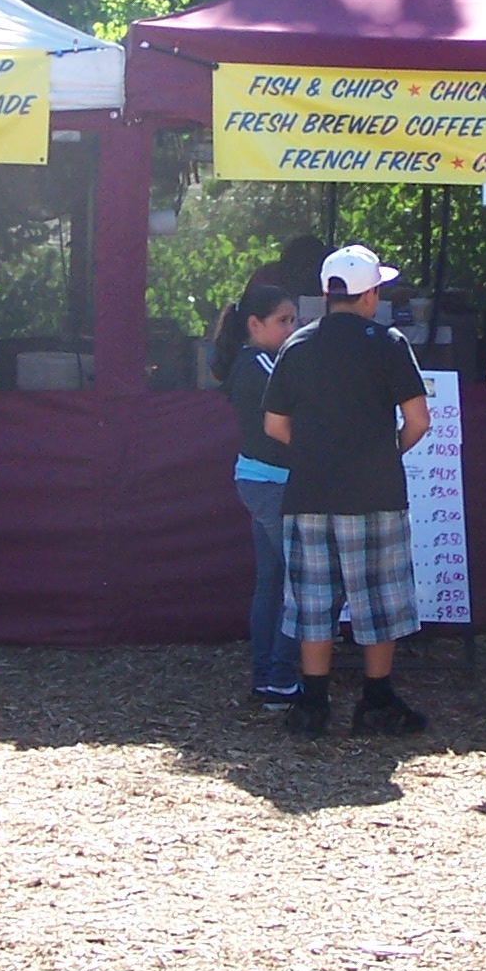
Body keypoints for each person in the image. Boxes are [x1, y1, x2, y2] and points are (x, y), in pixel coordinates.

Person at [262, 244, 433, 738]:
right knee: (379, 600)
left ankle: (312, 703)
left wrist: (316, 451)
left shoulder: (297, 345)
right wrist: (385, 452)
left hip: (309, 493)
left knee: (313, 602)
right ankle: (376, 700)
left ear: (325, 293)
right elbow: (418, 420)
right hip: (374, 493)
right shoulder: (389, 342)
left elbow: (274, 425)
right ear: (370, 295)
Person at [212, 283, 301, 709]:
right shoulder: (263, 365)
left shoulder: (250, 363)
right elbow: (293, 412)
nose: (292, 329)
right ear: (254, 324)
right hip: (273, 484)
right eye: (283, 321)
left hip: (260, 480)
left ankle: (264, 675)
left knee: (271, 582)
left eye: (294, 320)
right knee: (300, 583)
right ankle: (281, 679)